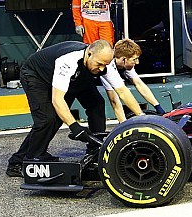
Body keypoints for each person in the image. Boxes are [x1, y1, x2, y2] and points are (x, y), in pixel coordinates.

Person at [6, 40, 116, 177]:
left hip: (71, 77)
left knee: (96, 104)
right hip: (36, 75)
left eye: (104, 65)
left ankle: (95, 150)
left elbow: (122, 92)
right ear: (89, 53)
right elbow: (57, 100)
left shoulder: (102, 61)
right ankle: (20, 162)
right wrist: (75, 128)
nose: (101, 69)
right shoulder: (69, 60)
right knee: (47, 119)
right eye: (99, 64)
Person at [102, 39, 167, 121]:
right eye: (134, 59)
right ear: (124, 59)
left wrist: (158, 107)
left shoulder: (127, 65)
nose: (137, 62)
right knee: (97, 105)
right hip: (86, 78)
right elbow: (115, 101)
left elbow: (139, 84)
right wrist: (126, 125)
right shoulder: (108, 67)